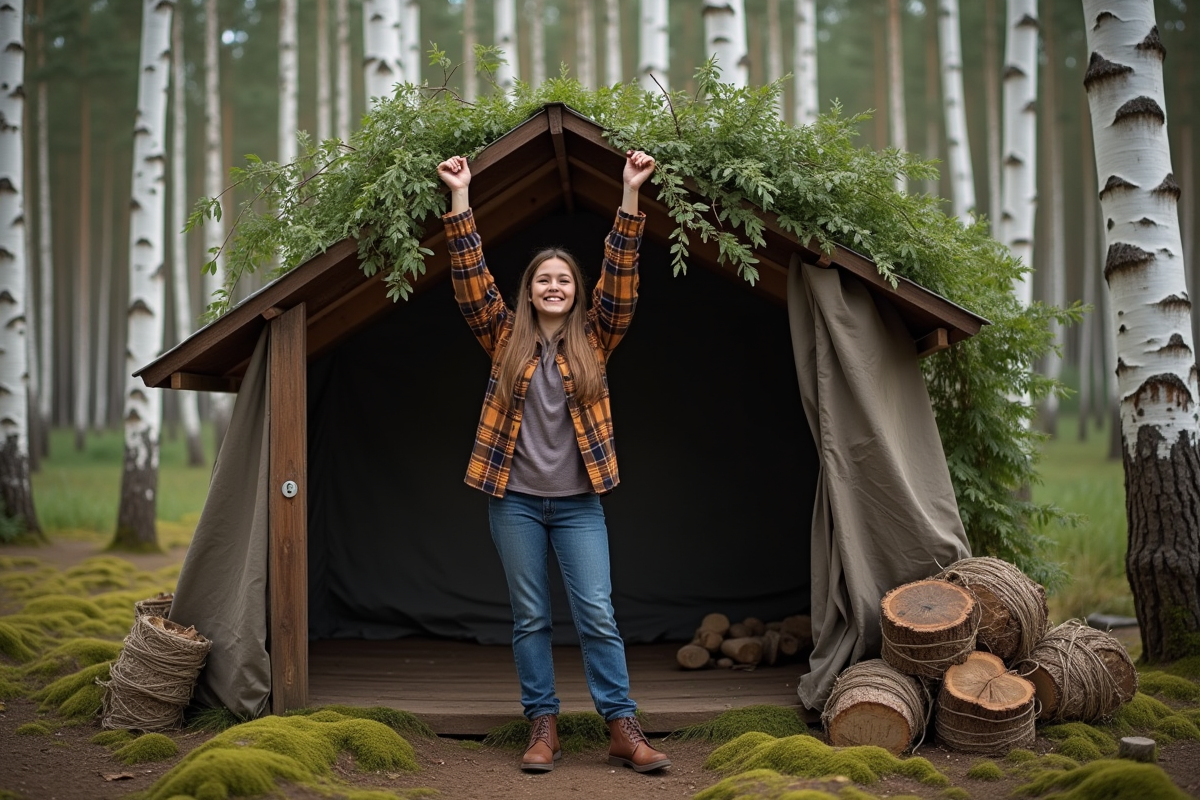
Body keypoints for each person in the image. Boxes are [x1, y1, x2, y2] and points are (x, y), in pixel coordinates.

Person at [436, 149, 670, 774]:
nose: (554, 287)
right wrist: (460, 196)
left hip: (578, 505)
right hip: (513, 501)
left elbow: (622, 274)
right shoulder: (502, 335)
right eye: (544, 279)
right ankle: (543, 727)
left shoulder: (597, 336)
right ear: (530, 290)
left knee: (597, 613)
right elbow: (469, 276)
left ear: (575, 290)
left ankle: (622, 727)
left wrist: (630, 192)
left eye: (564, 279)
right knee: (530, 617)